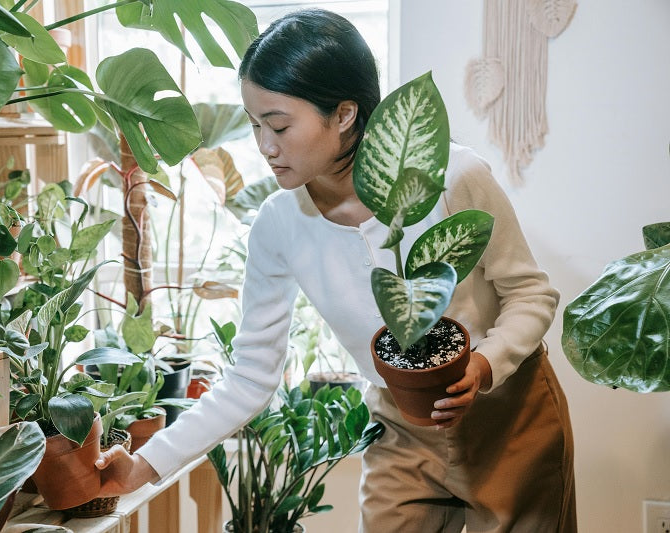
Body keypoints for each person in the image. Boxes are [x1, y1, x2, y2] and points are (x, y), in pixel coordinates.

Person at [95, 8, 576, 532]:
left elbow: (531, 294)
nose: (264, 146)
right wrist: (141, 466)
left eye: (278, 125)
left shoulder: (451, 178)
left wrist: (483, 365)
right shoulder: (279, 224)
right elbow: (250, 376)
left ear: (344, 114)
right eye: (256, 125)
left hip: (508, 418)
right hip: (401, 429)